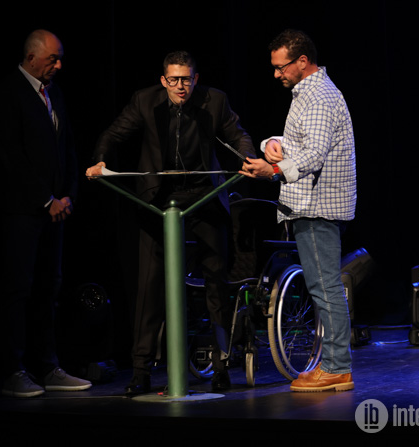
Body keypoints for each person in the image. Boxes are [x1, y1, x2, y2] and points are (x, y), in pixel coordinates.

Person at [86, 50, 255, 395]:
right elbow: (114, 134)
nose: (181, 86)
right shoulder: (144, 101)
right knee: (149, 285)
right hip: (159, 199)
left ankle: (221, 365)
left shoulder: (215, 100)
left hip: (204, 196)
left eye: (187, 79)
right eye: (174, 80)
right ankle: (141, 370)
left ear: (196, 79)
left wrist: (249, 157)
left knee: (216, 281)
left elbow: (237, 134)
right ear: (163, 80)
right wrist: (100, 160)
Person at [240, 29, 356, 392]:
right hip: (309, 203)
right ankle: (334, 364)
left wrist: (272, 170)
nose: (277, 74)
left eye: (282, 67)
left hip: (318, 206)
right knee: (322, 286)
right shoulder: (307, 94)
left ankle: (337, 367)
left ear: (302, 61)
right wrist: (273, 143)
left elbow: (314, 155)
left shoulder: (319, 96)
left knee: (325, 287)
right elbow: (301, 143)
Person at [0, 29, 92, 397]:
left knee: (50, 289)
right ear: (32, 58)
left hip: (56, 212)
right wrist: (45, 199)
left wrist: (67, 195)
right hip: (23, 211)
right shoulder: (9, 92)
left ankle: (49, 367)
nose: (59, 65)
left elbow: (67, 148)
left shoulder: (55, 93)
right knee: (18, 289)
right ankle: (13, 370)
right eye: (53, 59)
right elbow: (10, 156)